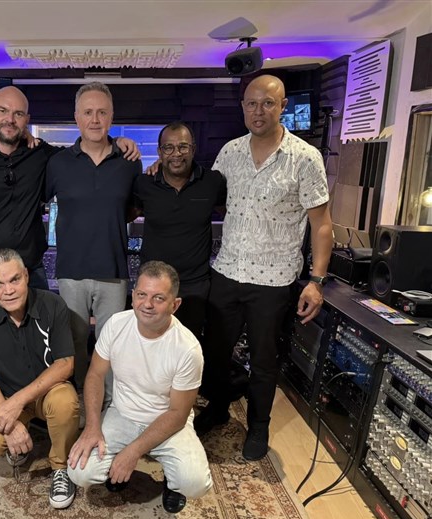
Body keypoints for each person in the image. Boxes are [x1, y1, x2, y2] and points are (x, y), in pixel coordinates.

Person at [196, 74, 333, 461]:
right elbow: (207, 194)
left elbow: (322, 225)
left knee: (264, 360)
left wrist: (317, 281)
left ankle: (259, 425)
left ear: (282, 106)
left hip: (274, 281)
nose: (259, 111)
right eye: (252, 103)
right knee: (215, 353)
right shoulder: (230, 152)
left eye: (268, 103)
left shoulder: (305, 157)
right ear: (243, 107)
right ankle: (218, 408)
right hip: (227, 271)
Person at [0, 86, 140, 305]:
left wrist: (117, 142)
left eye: (18, 114)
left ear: (26, 119)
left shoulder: (41, 154)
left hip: (31, 269)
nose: (10, 119)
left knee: (43, 328)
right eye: (3, 111)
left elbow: (88, 150)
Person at [67, 261, 212, 514]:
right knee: (80, 472)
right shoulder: (116, 324)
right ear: (133, 296)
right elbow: (95, 375)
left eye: (159, 298)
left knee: (195, 483)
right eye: (142, 294)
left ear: (175, 305)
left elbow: (178, 413)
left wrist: (132, 452)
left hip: (167, 421)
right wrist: (92, 427)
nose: (147, 304)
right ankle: (118, 468)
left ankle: (172, 483)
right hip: (122, 413)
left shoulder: (187, 349)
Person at [45, 81, 142, 390]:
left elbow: (134, 208)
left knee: (111, 346)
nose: (95, 119)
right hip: (71, 271)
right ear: (77, 117)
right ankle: (77, 401)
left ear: (111, 117)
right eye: (88, 112)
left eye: (102, 112)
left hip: (113, 271)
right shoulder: (58, 163)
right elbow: (34, 201)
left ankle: (109, 402)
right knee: (73, 344)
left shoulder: (129, 162)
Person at [0, 248, 79, 510]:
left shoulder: (53, 305)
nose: (8, 290)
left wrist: (17, 403)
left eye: (14, 280)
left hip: (48, 393)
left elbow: (65, 364)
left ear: (27, 276)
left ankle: (61, 467)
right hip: (7, 395)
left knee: (66, 402)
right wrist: (9, 423)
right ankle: (18, 442)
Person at [133, 121, 226, 342]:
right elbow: (127, 214)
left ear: (193, 149)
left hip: (194, 286)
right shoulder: (144, 183)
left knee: (188, 345)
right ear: (160, 152)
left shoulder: (212, 182)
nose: (176, 154)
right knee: (149, 344)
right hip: (153, 285)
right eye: (169, 147)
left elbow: (231, 216)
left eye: (183, 147)